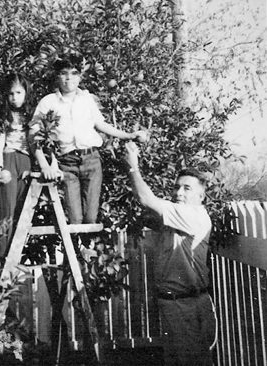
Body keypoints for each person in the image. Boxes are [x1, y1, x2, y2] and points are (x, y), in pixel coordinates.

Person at [124, 141, 217, 365]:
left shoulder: (192, 215)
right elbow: (149, 213)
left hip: (186, 305)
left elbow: (146, 199)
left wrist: (132, 166)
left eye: (187, 188)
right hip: (176, 304)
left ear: (201, 197)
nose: (179, 192)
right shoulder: (179, 218)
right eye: (176, 187)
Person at [30, 54, 143, 225]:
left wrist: (128, 135)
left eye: (74, 73)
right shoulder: (48, 102)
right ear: (57, 76)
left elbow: (101, 124)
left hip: (91, 160)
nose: (69, 78)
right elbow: (34, 134)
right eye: (64, 73)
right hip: (66, 162)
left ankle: (86, 251)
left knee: (91, 218)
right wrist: (45, 164)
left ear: (80, 76)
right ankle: (77, 249)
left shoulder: (87, 99)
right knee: (75, 220)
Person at [0, 72, 33, 258]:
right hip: (8, 159)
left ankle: (14, 256)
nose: (14, 97)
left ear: (26, 93)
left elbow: (36, 143)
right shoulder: (4, 116)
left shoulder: (32, 115)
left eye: (18, 92)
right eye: (10, 94)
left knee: (22, 210)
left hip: (25, 161)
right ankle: (1, 258)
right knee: (6, 211)